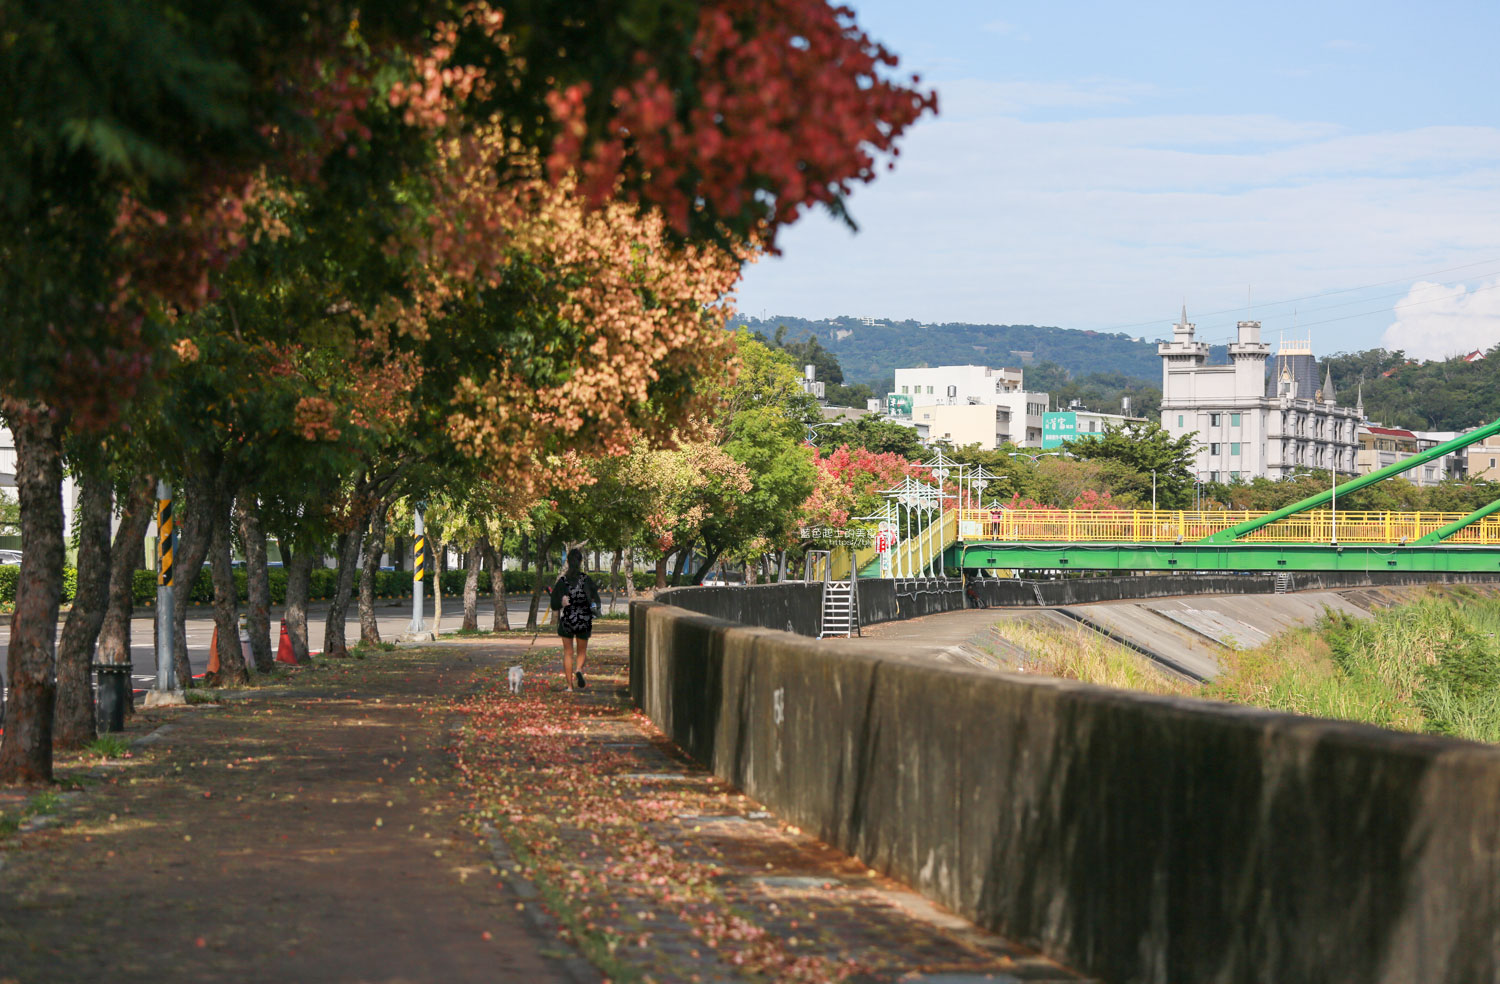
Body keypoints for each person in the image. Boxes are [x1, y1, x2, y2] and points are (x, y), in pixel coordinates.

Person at [550, 548, 601, 690]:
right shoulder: (586, 580)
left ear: (568, 561)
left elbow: (554, 604)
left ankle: (569, 686)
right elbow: (596, 599)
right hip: (583, 620)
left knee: (568, 652)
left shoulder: (562, 581)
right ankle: (578, 669)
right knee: (582, 651)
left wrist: (562, 602)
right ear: (580, 562)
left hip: (568, 621)